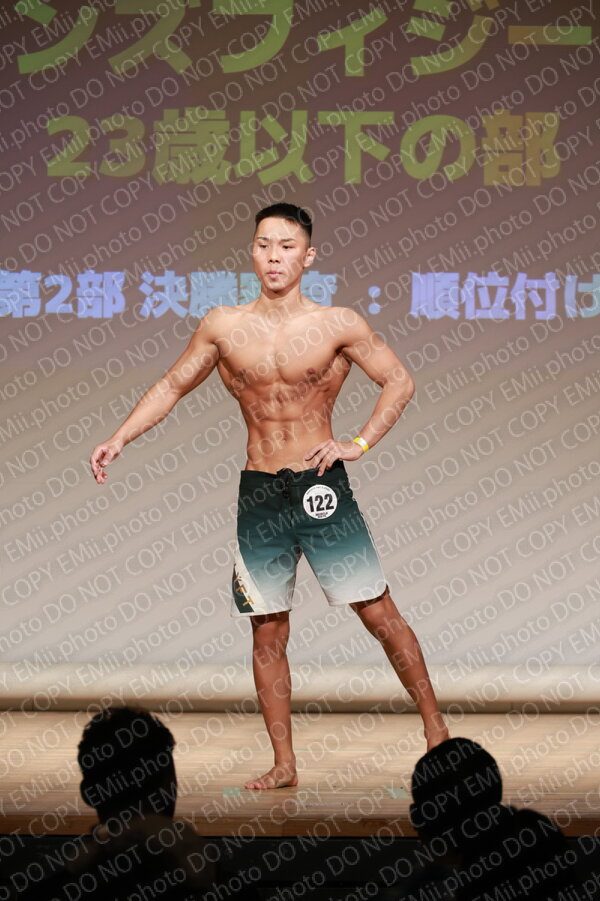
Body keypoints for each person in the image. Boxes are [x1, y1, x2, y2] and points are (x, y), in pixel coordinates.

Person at [90, 202, 450, 790]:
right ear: (252, 253)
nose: (274, 256)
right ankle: (284, 763)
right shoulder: (223, 325)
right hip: (260, 490)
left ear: (308, 256)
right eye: (264, 245)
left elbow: (399, 380)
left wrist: (358, 442)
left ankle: (436, 730)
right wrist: (119, 437)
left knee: (377, 611)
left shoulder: (337, 323)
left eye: (287, 246)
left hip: (319, 486)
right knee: (267, 629)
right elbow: (172, 385)